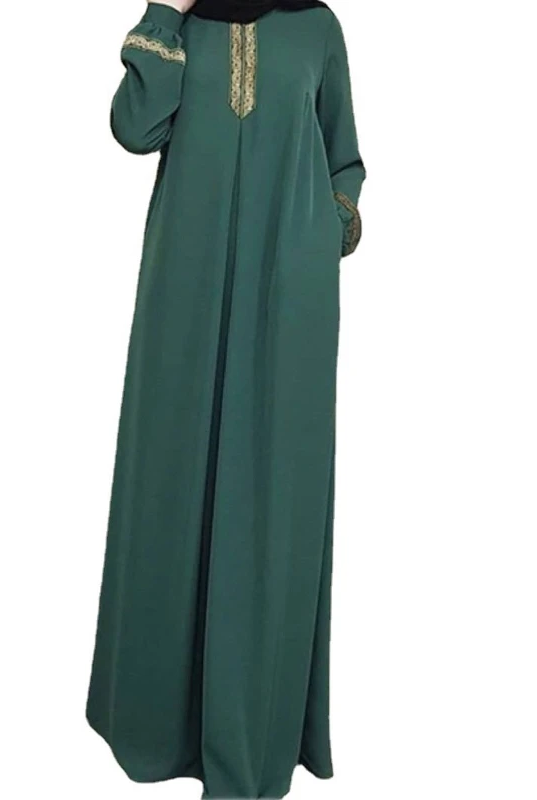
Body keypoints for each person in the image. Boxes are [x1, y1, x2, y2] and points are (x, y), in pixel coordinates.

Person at [86, 1, 365, 797]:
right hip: (186, 286)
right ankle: (159, 724)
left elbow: (345, 158)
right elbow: (134, 127)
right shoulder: (182, 28)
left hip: (289, 289)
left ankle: (253, 734)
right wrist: (166, 12)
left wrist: (327, 228)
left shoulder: (317, 27)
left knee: (271, 494)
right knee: (170, 483)